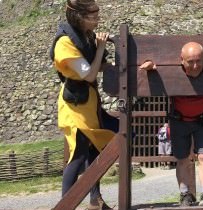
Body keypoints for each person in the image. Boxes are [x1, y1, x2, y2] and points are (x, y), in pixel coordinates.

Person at [140, 42, 203, 206]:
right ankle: (185, 195)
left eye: (199, 61)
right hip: (179, 120)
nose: (195, 66)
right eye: (190, 61)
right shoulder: (171, 71)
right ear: (181, 60)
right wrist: (152, 69)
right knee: (182, 159)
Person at [49, 1, 118, 209]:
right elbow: (89, 73)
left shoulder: (86, 36)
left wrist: (123, 67)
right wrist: (102, 48)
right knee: (78, 153)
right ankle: (66, 204)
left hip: (89, 102)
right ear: (79, 17)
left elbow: (99, 66)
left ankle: (95, 200)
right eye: (93, 16)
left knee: (96, 148)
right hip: (75, 105)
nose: (97, 20)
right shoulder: (65, 43)